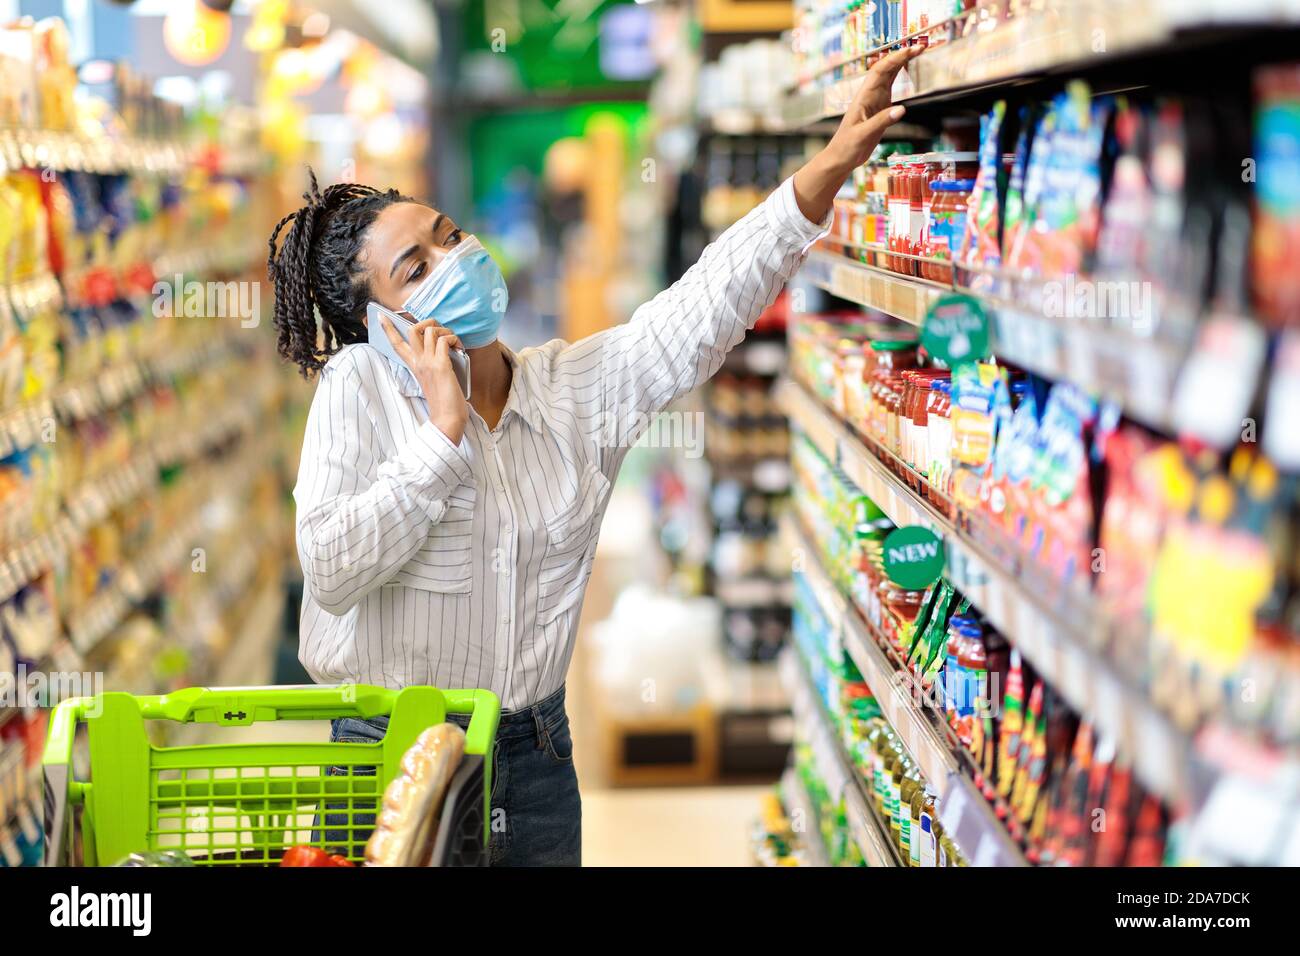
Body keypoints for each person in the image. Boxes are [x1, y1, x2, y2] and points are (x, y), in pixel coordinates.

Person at [266, 48, 921, 866]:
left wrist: (826, 169)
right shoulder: (357, 389)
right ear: (383, 327)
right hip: (386, 758)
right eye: (418, 269)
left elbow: (700, 307)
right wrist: (440, 440)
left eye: (450, 236)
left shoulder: (573, 389)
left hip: (534, 760)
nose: (457, 262)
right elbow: (329, 566)